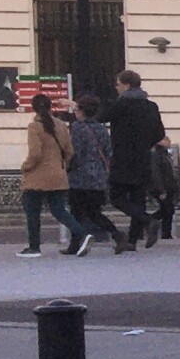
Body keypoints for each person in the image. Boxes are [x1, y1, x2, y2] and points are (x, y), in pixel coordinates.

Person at [103, 69, 167, 252]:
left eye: (118, 84)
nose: (116, 88)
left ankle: (148, 221)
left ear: (126, 85)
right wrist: (145, 143)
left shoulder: (121, 105)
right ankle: (132, 240)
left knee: (116, 197)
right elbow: (160, 134)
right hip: (143, 158)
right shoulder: (151, 106)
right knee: (138, 198)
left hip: (123, 157)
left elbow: (101, 117)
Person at [18, 92, 83, 257]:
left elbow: (35, 154)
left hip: (36, 177)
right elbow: (69, 151)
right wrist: (61, 166)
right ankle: (82, 232)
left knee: (32, 211)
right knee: (59, 210)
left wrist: (25, 166)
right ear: (49, 107)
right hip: (58, 175)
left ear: (34, 109)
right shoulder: (61, 125)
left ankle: (34, 247)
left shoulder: (34, 127)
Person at [67, 93, 118, 252]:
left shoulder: (77, 128)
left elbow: (76, 153)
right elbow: (109, 151)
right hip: (99, 176)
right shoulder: (101, 128)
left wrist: (67, 167)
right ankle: (117, 235)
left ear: (81, 111)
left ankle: (75, 244)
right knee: (95, 213)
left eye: (76, 109)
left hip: (80, 176)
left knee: (76, 212)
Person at [149, 136, 180, 243]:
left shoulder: (164, 154)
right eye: (167, 140)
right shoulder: (157, 155)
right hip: (164, 187)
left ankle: (165, 232)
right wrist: (161, 189)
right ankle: (147, 221)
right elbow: (156, 173)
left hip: (169, 186)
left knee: (167, 210)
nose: (169, 142)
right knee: (167, 209)